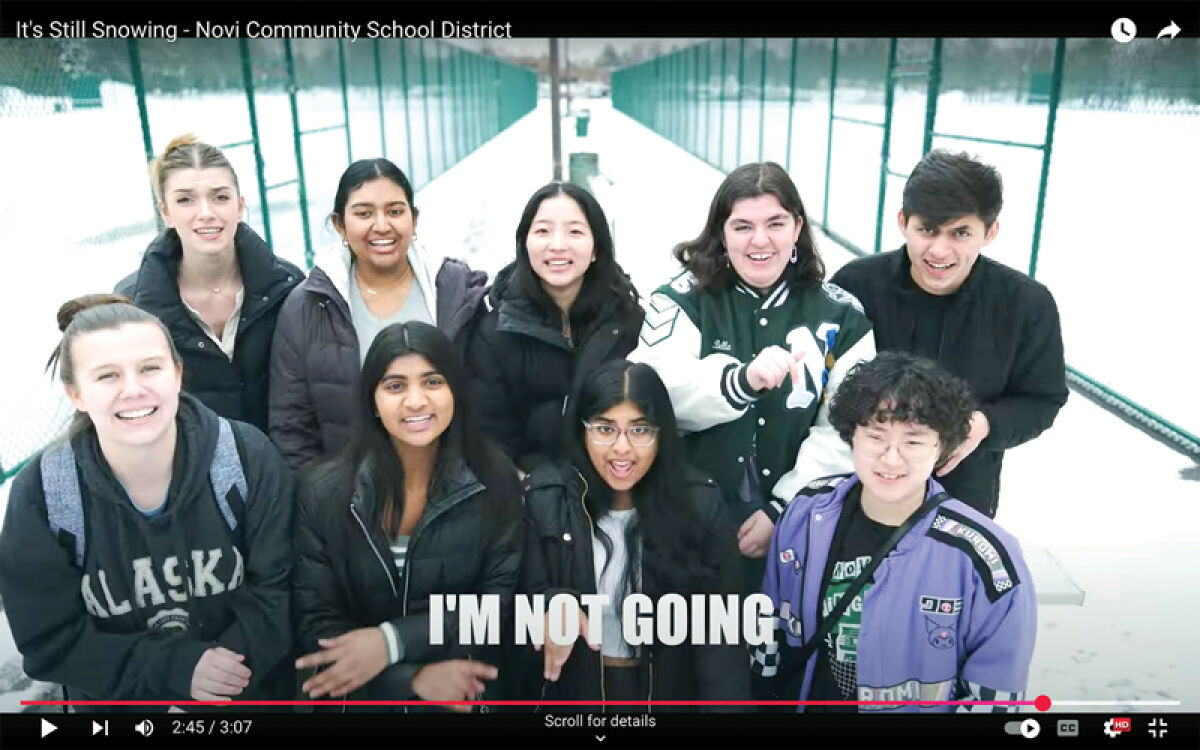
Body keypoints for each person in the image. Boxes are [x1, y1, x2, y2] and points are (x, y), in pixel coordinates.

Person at [0, 294, 295, 711]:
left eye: (149, 368)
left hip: (242, 698)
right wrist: (178, 671)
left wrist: (217, 683)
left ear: (177, 374)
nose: (134, 390)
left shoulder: (244, 457)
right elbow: (49, 639)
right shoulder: (47, 492)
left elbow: (280, 591)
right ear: (75, 394)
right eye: (107, 376)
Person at [628, 162, 875, 593]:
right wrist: (739, 381)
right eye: (742, 226)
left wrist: (784, 508)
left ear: (797, 227)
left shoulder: (843, 316)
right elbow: (652, 394)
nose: (759, 240)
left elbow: (849, 428)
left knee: (781, 647)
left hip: (800, 527)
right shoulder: (679, 300)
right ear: (721, 232)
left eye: (775, 223)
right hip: (690, 520)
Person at [754, 352, 1037, 713]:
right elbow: (769, 636)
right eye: (875, 436)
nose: (891, 458)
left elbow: (995, 697)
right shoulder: (805, 514)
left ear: (942, 447)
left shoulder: (986, 557)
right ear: (850, 437)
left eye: (913, 441)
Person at [293, 321, 523, 710]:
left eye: (433, 382)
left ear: (456, 391)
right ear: (372, 401)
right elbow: (317, 628)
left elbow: (496, 608)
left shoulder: (496, 480)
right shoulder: (323, 492)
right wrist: (410, 680)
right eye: (395, 386)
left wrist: (391, 642)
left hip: (461, 694)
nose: (416, 401)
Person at [829, 149, 1067, 518]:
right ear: (902, 222)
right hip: (853, 488)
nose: (939, 250)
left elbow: (1042, 398)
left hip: (961, 496)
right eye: (926, 229)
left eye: (960, 233)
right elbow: (822, 387)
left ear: (990, 232)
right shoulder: (856, 285)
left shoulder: (1026, 304)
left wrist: (984, 426)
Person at [517, 359, 748, 709]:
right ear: (582, 430)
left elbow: (722, 634)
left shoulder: (700, 503)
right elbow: (516, 597)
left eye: (639, 430)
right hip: (575, 697)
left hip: (667, 695)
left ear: (661, 433)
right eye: (605, 429)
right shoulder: (546, 499)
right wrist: (550, 602)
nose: (622, 448)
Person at [270, 158, 487, 471]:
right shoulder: (307, 306)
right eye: (364, 213)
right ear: (339, 225)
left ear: (414, 219)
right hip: (351, 497)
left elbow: (487, 400)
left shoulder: (455, 291)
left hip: (453, 486)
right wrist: (324, 501)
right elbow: (291, 427)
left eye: (395, 211)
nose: (382, 225)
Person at [116, 134, 303, 433]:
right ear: (166, 212)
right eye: (185, 200)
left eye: (220, 197)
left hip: (281, 468)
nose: (206, 213)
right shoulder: (132, 304)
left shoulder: (288, 287)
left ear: (239, 206)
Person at [464, 182, 644, 474]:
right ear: (524, 243)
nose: (557, 245)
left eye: (575, 231)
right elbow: (489, 435)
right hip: (529, 490)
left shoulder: (628, 321)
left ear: (596, 247)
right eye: (543, 231)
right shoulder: (496, 330)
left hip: (613, 482)